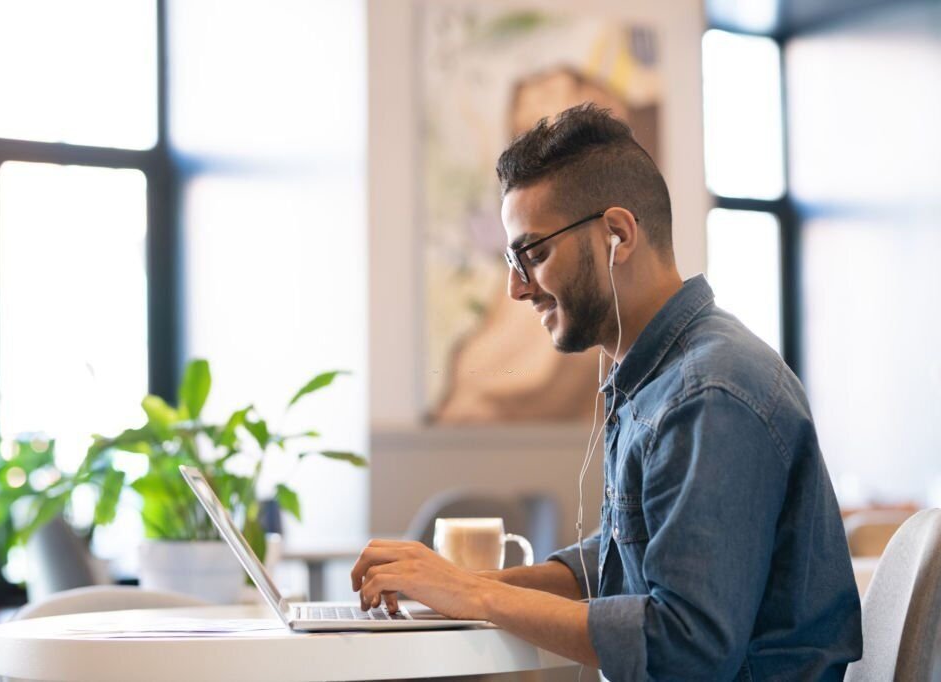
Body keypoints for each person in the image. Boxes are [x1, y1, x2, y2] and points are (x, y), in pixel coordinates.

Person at [351, 103, 862, 680]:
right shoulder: (664, 376)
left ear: (617, 233)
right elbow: (622, 559)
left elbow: (686, 647)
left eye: (533, 254)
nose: (517, 288)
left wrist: (477, 597)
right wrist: (457, 585)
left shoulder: (708, 393)